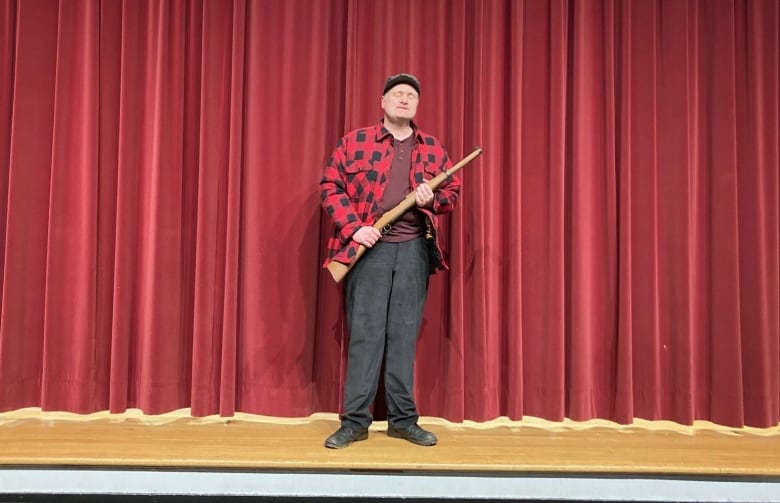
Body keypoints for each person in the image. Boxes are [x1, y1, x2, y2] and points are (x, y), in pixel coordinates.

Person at [319, 73, 461, 449]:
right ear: (382, 102)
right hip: (369, 251)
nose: (404, 99)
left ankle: (403, 421)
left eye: (411, 95)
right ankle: (354, 422)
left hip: (414, 249)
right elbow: (330, 186)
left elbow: (451, 195)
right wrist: (354, 228)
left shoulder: (432, 147)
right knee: (366, 336)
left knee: (402, 337)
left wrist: (432, 200)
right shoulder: (356, 141)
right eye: (397, 94)